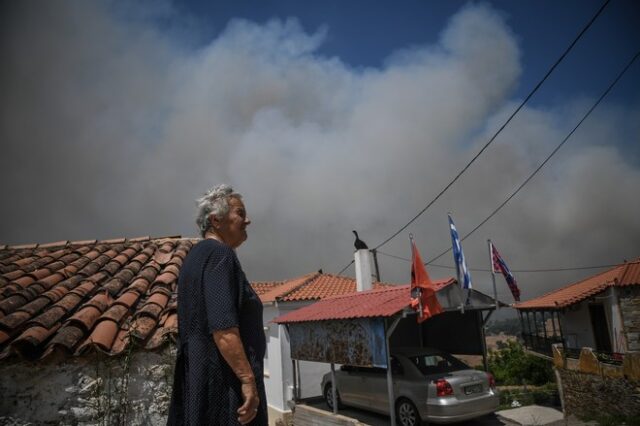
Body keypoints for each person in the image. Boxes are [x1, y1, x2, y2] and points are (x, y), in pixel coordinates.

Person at [168, 184, 267, 425]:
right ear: (216, 220)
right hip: (225, 390)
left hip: (200, 384)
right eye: (240, 213)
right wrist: (247, 381)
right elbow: (224, 329)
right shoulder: (220, 255)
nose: (248, 220)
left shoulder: (194, 257)